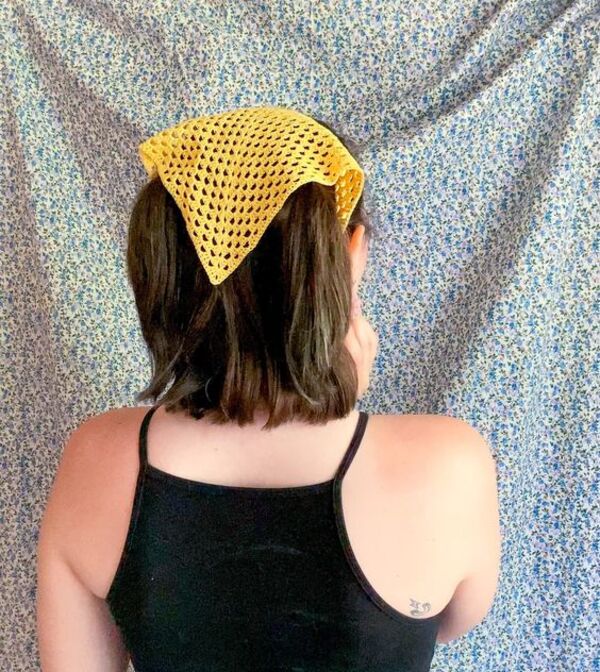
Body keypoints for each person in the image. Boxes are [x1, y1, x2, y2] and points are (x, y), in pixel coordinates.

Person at [37, 108, 501, 671]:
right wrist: (331, 394)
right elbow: (450, 617)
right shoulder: (448, 464)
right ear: (350, 252)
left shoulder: (96, 458)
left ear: (160, 272)